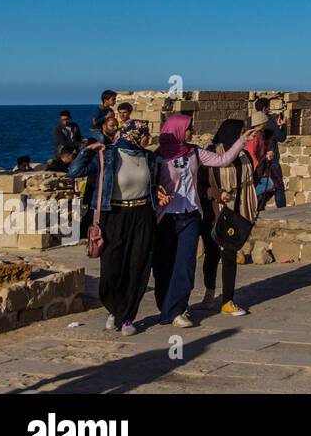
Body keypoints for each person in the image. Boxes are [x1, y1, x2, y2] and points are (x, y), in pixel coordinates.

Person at [69, 116, 170, 337]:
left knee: (138, 267)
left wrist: (157, 193)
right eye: (145, 134)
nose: (148, 137)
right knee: (111, 268)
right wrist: (88, 150)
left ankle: (127, 317)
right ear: (133, 134)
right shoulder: (108, 155)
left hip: (142, 215)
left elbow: (149, 185)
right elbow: (74, 171)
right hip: (114, 215)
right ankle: (114, 307)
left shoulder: (149, 157)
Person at [153, 113, 252, 328]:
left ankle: (178, 310)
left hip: (190, 216)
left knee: (186, 265)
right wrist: (157, 193)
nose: (192, 132)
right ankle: (166, 308)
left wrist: (241, 141)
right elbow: (150, 185)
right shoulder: (158, 157)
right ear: (177, 130)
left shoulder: (194, 152)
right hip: (166, 218)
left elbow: (223, 160)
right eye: (189, 128)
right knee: (164, 266)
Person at [200, 115, 263, 317]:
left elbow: (251, 182)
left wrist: (264, 164)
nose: (243, 135)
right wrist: (217, 193)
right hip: (213, 212)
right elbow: (201, 186)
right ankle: (209, 292)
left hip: (235, 213)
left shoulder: (244, 156)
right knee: (211, 254)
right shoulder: (210, 155)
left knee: (229, 255)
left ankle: (228, 300)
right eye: (240, 132)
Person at [253, 98, 288, 209]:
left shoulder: (251, 120)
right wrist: (283, 125)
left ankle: (259, 206)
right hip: (271, 159)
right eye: (268, 107)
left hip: (257, 160)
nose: (269, 109)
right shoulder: (268, 122)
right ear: (264, 108)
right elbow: (281, 137)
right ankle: (281, 210)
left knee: (261, 185)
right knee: (278, 185)